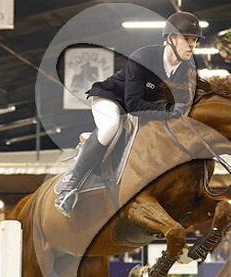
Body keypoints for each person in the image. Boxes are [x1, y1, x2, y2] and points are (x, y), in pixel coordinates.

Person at [54, 11, 203, 217]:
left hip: (146, 109)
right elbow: (133, 104)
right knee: (111, 125)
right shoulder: (143, 58)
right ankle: (71, 183)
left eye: (194, 40)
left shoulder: (188, 67)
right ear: (170, 39)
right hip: (112, 99)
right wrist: (168, 109)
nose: (192, 45)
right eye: (186, 39)